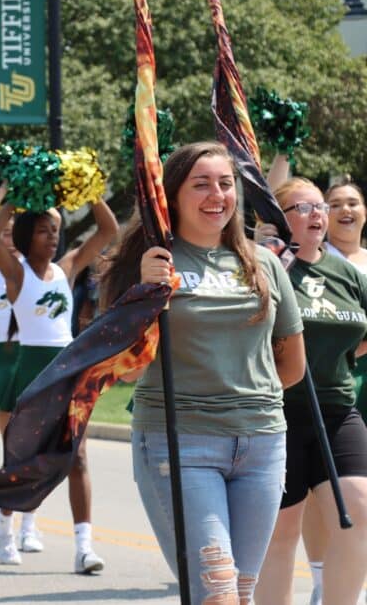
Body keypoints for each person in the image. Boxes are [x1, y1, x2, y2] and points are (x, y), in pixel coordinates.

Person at [102, 141, 306, 603]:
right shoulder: (148, 264)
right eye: (201, 184)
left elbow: (291, 362)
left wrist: (248, 397)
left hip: (262, 443)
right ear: (172, 195)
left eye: (225, 183)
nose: (217, 194)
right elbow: (125, 369)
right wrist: (144, 294)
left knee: (240, 591)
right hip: (180, 443)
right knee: (216, 592)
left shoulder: (265, 263)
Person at [0, 188, 118, 570]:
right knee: (23, 459)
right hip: (30, 371)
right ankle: (5, 529)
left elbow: (107, 230)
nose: (52, 236)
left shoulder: (69, 266)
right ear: (27, 237)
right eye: (43, 231)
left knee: (78, 459)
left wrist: (91, 192)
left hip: (67, 370)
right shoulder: (15, 271)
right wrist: (13, 191)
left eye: (53, 230)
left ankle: (84, 548)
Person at [254, 178, 367, 605]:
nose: (318, 214)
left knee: (359, 510)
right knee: (281, 530)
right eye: (302, 208)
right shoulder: (268, 266)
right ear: (278, 220)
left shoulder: (346, 273)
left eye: (320, 206)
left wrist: (333, 356)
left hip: (337, 409)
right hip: (278, 412)